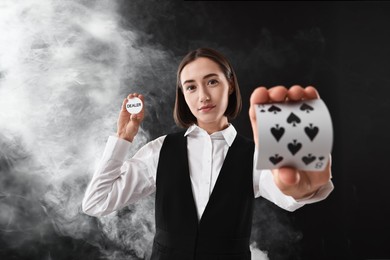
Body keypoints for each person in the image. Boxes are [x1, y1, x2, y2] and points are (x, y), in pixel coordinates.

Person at [82, 47, 334, 260]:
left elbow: (289, 195)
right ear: (183, 95)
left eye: (212, 81)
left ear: (230, 84)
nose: (203, 96)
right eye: (191, 87)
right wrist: (123, 138)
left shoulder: (253, 155)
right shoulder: (160, 150)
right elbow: (97, 202)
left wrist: (304, 187)